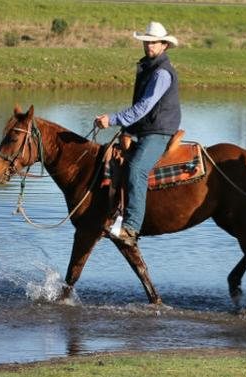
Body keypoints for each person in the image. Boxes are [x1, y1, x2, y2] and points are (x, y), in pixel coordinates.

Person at [94, 21, 181, 247]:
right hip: (147, 129)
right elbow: (141, 111)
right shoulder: (149, 68)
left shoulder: (161, 73)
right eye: (147, 42)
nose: (149, 46)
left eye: (153, 43)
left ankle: (131, 227)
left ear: (164, 45)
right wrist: (127, 129)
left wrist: (113, 120)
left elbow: (144, 107)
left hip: (159, 132)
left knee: (136, 168)